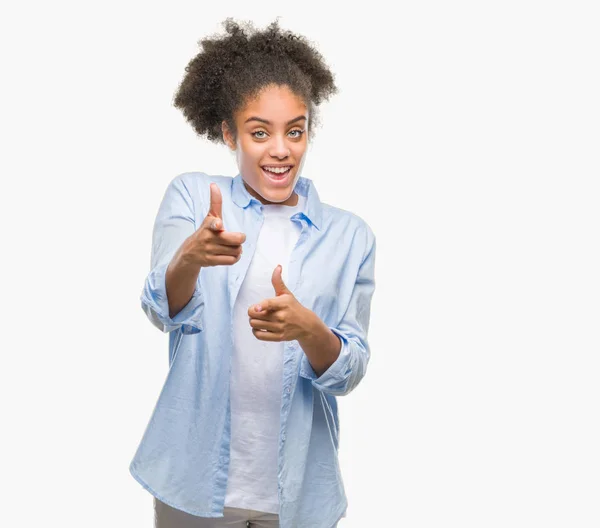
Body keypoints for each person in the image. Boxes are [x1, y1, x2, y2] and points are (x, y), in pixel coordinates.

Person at [129, 18, 377, 528]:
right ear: (228, 133)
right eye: (259, 132)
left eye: (295, 130)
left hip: (298, 495)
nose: (280, 149)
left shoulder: (350, 236)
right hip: (193, 485)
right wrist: (191, 257)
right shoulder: (194, 197)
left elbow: (349, 370)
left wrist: (308, 328)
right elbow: (161, 307)